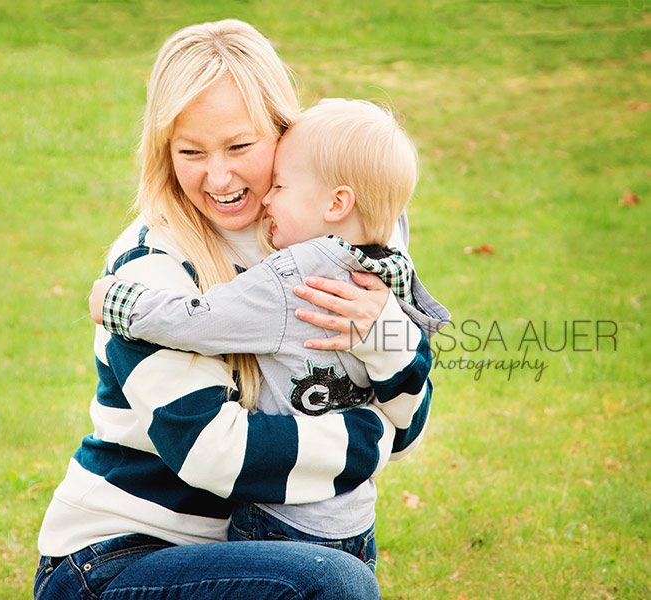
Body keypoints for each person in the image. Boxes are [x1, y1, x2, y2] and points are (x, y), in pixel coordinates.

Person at [35, 20, 438, 599]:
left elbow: (413, 418)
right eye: (190, 152)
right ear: (164, 152)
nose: (217, 176)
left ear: (282, 130)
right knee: (333, 584)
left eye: (240, 146)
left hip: (245, 548)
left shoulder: (334, 233)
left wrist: (382, 334)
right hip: (115, 562)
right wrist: (368, 437)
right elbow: (209, 452)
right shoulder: (151, 263)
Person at [88, 99, 450, 573]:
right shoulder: (379, 265)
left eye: (278, 184)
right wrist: (377, 425)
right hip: (337, 523)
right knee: (338, 581)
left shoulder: (306, 273)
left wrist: (121, 305)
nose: (267, 199)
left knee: (333, 581)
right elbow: (405, 405)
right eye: (192, 152)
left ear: (337, 203)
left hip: (298, 520)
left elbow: (202, 321)